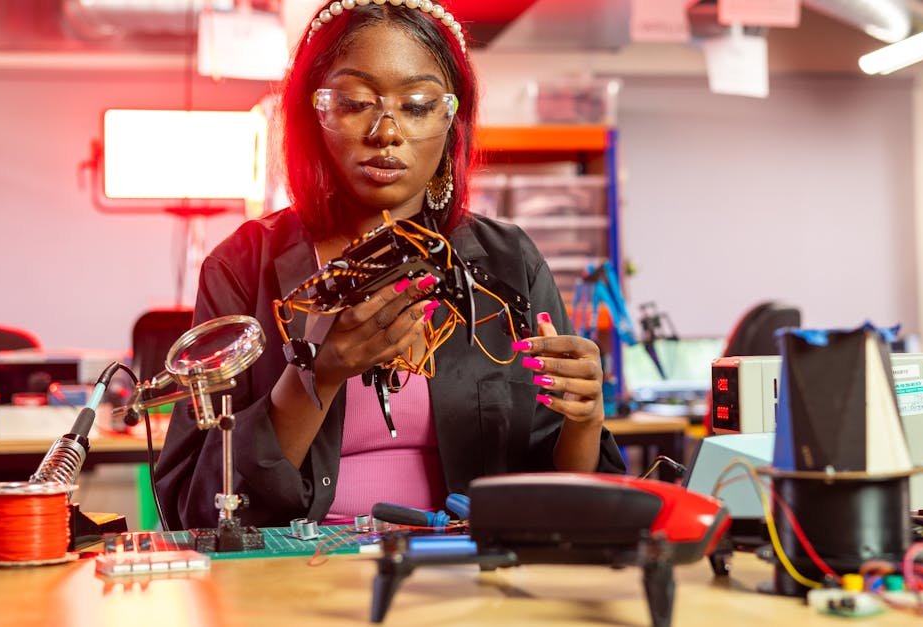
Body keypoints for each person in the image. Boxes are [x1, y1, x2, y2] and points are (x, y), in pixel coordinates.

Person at [154, 0, 626, 531]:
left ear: (452, 120)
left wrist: (585, 420)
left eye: (418, 104)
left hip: (466, 569)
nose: (387, 131)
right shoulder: (244, 266)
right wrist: (318, 374)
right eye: (356, 102)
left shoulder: (508, 264)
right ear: (316, 113)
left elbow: (560, 494)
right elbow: (194, 502)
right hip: (295, 574)